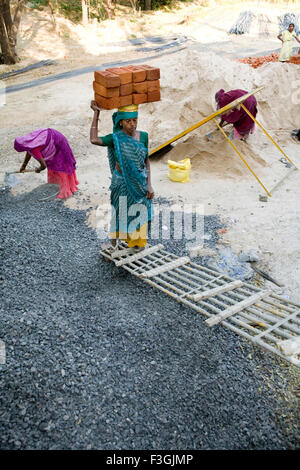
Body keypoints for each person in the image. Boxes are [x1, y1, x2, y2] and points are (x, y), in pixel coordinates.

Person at [90, 102, 154, 250]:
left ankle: (137, 243)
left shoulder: (143, 136)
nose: (132, 124)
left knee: (139, 212)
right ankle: (114, 242)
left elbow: (146, 161)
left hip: (140, 184)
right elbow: (94, 140)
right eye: (128, 121)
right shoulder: (115, 139)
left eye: (135, 120)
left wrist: (149, 185)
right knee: (120, 211)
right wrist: (96, 113)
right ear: (121, 122)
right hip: (122, 184)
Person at [14, 128, 79, 199]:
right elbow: (29, 152)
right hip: (54, 135)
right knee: (55, 163)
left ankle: (66, 190)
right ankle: (57, 184)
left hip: (58, 142)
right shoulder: (29, 141)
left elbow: (43, 165)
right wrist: (23, 166)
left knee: (61, 165)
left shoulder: (34, 149)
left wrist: (38, 169)